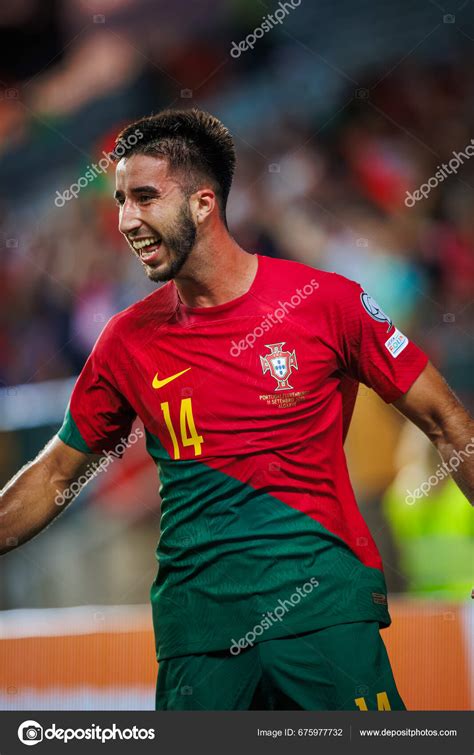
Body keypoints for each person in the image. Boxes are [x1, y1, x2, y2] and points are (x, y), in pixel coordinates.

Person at [1, 108, 472, 711]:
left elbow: (447, 421)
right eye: (121, 200)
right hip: (196, 639)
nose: (126, 220)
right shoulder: (126, 341)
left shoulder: (327, 304)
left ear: (203, 203)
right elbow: (54, 474)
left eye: (145, 197)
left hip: (323, 619)